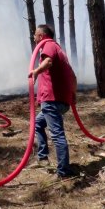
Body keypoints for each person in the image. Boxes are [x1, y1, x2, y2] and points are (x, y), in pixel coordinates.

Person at [28, 24, 77, 178]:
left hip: (52, 100)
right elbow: (73, 76)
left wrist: (36, 71)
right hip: (61, 101)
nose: (34, 38)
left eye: (35, 35)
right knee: (38, 124)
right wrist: (73, 95)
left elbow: (47, 62)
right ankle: (42, 158)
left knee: (57, 135)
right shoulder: (60, 50)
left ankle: (64, 172)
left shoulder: (47, 45)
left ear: (41, 36)